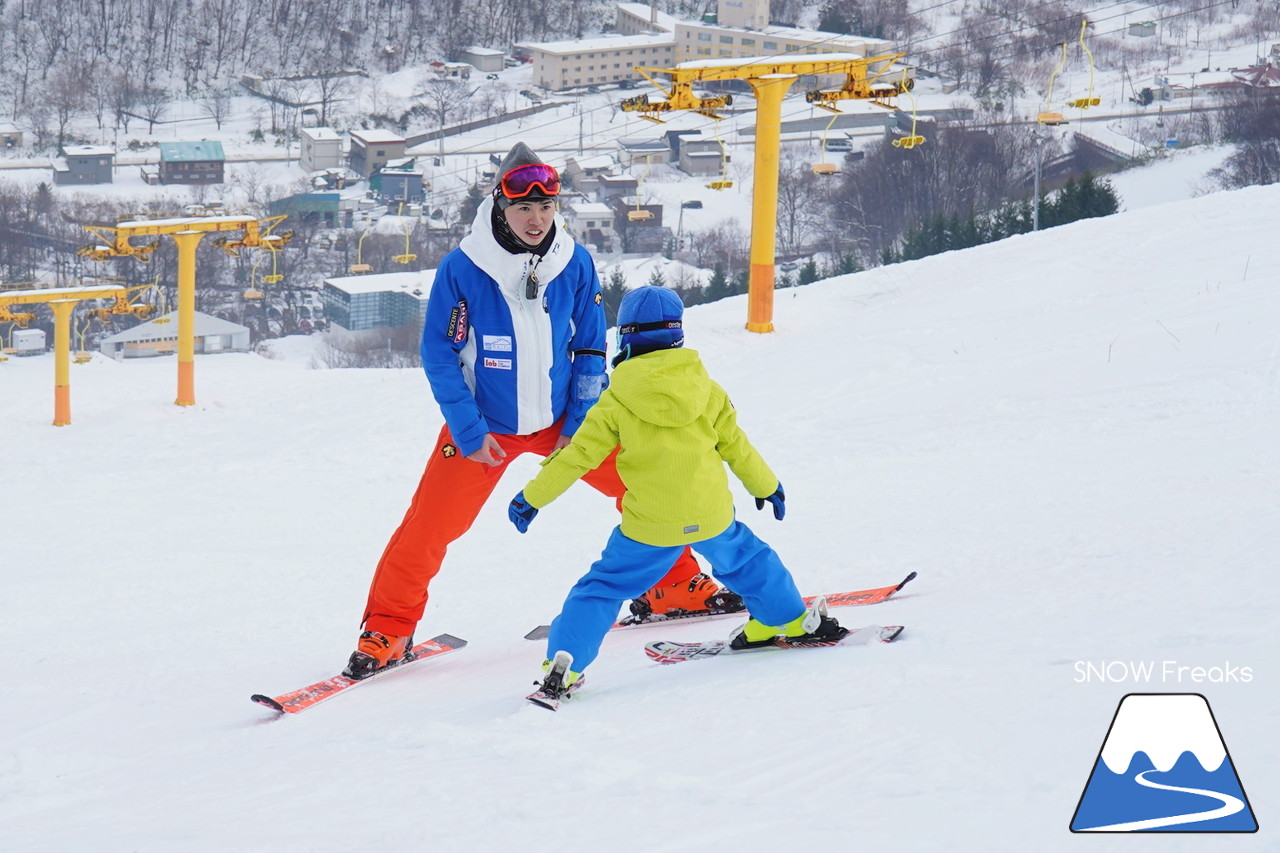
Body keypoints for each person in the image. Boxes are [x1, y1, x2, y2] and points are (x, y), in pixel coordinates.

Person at [345, 144, 738, 679]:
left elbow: (592, 348)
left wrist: (577, 425)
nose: (536, 218)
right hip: (485, 427)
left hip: (563, 421)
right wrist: (467, 427)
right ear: (500, 206)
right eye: (524, 207)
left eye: (547, 206)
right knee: (429, 526)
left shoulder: (573, 262)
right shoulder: (464, 268)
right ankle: (388, 630)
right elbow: (439, 352)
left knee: (649, 491)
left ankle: (673, 588)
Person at [508, 286, 847, 703]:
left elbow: (578, 455)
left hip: (651, 525)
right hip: (712, 513)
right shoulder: (707, 390)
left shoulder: (615, 400)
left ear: (625, 339)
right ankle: (788, 621)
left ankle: (566, 661)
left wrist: (533, 497)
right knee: (750, 561)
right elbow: (736, 446)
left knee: (603, 587)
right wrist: (766, 485)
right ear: (678, 336)